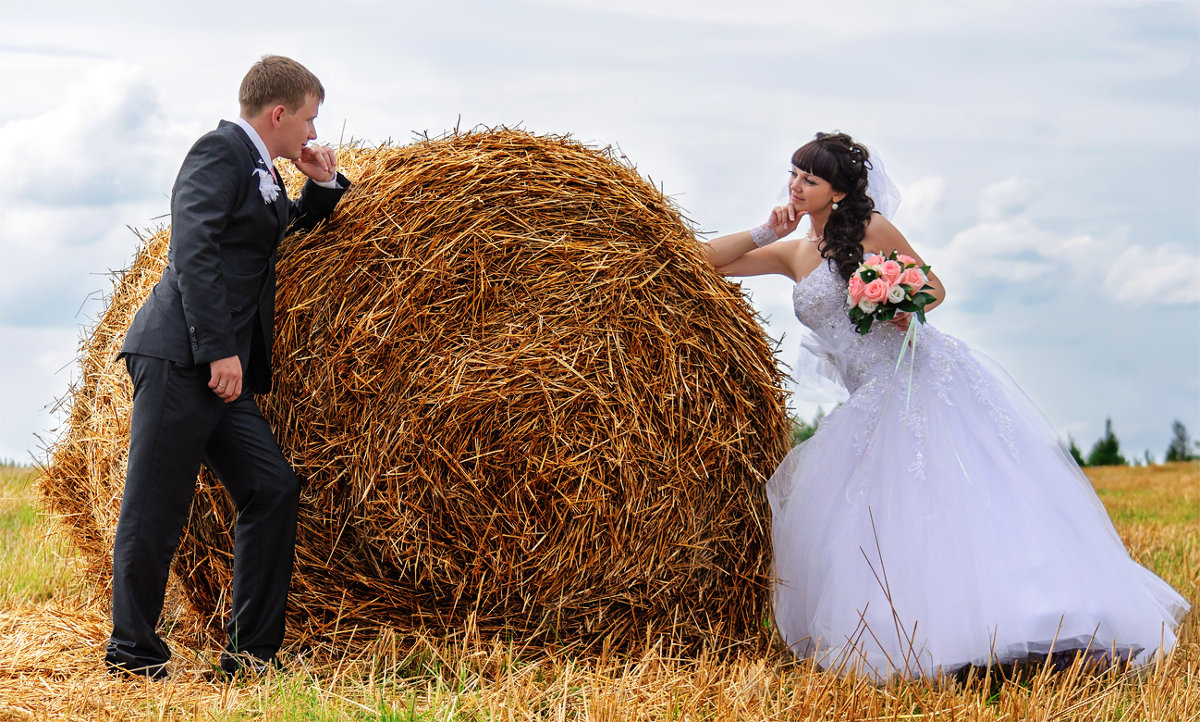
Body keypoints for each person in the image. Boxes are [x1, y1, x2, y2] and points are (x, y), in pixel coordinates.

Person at [704, 132, 1188, 680]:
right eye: (793, 173)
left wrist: (892, 299)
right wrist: (767, 229)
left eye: (809, 179)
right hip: (866, 397)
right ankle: (912, 631)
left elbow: (932, 288)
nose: (796, 184)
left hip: (916, 378)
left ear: (837, 193)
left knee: (960, 499)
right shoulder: (793, 251)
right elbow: (700, 261)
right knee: (871, 517)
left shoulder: (870, 229)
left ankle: (1025, 621)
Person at [105, 55, 350, 679]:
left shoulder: (258, 169)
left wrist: (319, 186)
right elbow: (195, 249)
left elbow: (269, 237)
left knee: (272, 489)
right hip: (181, 356)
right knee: (155, 508)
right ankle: (133, 656)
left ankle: (251, 656)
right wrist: (219, 350)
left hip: (218, 371)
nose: (313, 134)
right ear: (278, 113)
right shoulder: (217, 152)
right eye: (309, 120)